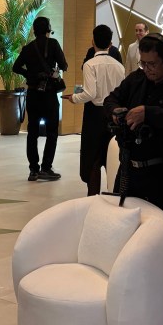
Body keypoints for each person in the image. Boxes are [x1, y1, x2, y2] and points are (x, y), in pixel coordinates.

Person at [104, 33, 163, 214]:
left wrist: (148, 113)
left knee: (155, 225)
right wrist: (115, 111)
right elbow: (110, 100)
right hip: (128, 169)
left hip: (160, 175)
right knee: (119, 219)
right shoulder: (135, 79)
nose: (147, 69)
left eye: (152, 64)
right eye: (143, 63)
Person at [66, 24, 126, 195]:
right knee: (112, 155)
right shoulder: (119, 66)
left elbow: (90, 94)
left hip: (94, 114)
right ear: (110, 44)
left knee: (93, 157)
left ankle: (93, 197)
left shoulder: (90, 64)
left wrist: (74, 98)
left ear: (93, 42)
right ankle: (114, 195)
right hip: (113, 114)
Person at [13, 17, 68, 182]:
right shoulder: (53, 44)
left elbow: (16, 67)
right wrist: (53, 71)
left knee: (32, 133)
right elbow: (64, 65)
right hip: (49, 94)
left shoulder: (28, 48)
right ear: (48, 29)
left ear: (34, 30)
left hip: (33, 94)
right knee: (52, 132)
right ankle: (46, 168)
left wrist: (30, 74)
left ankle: (33, 170)